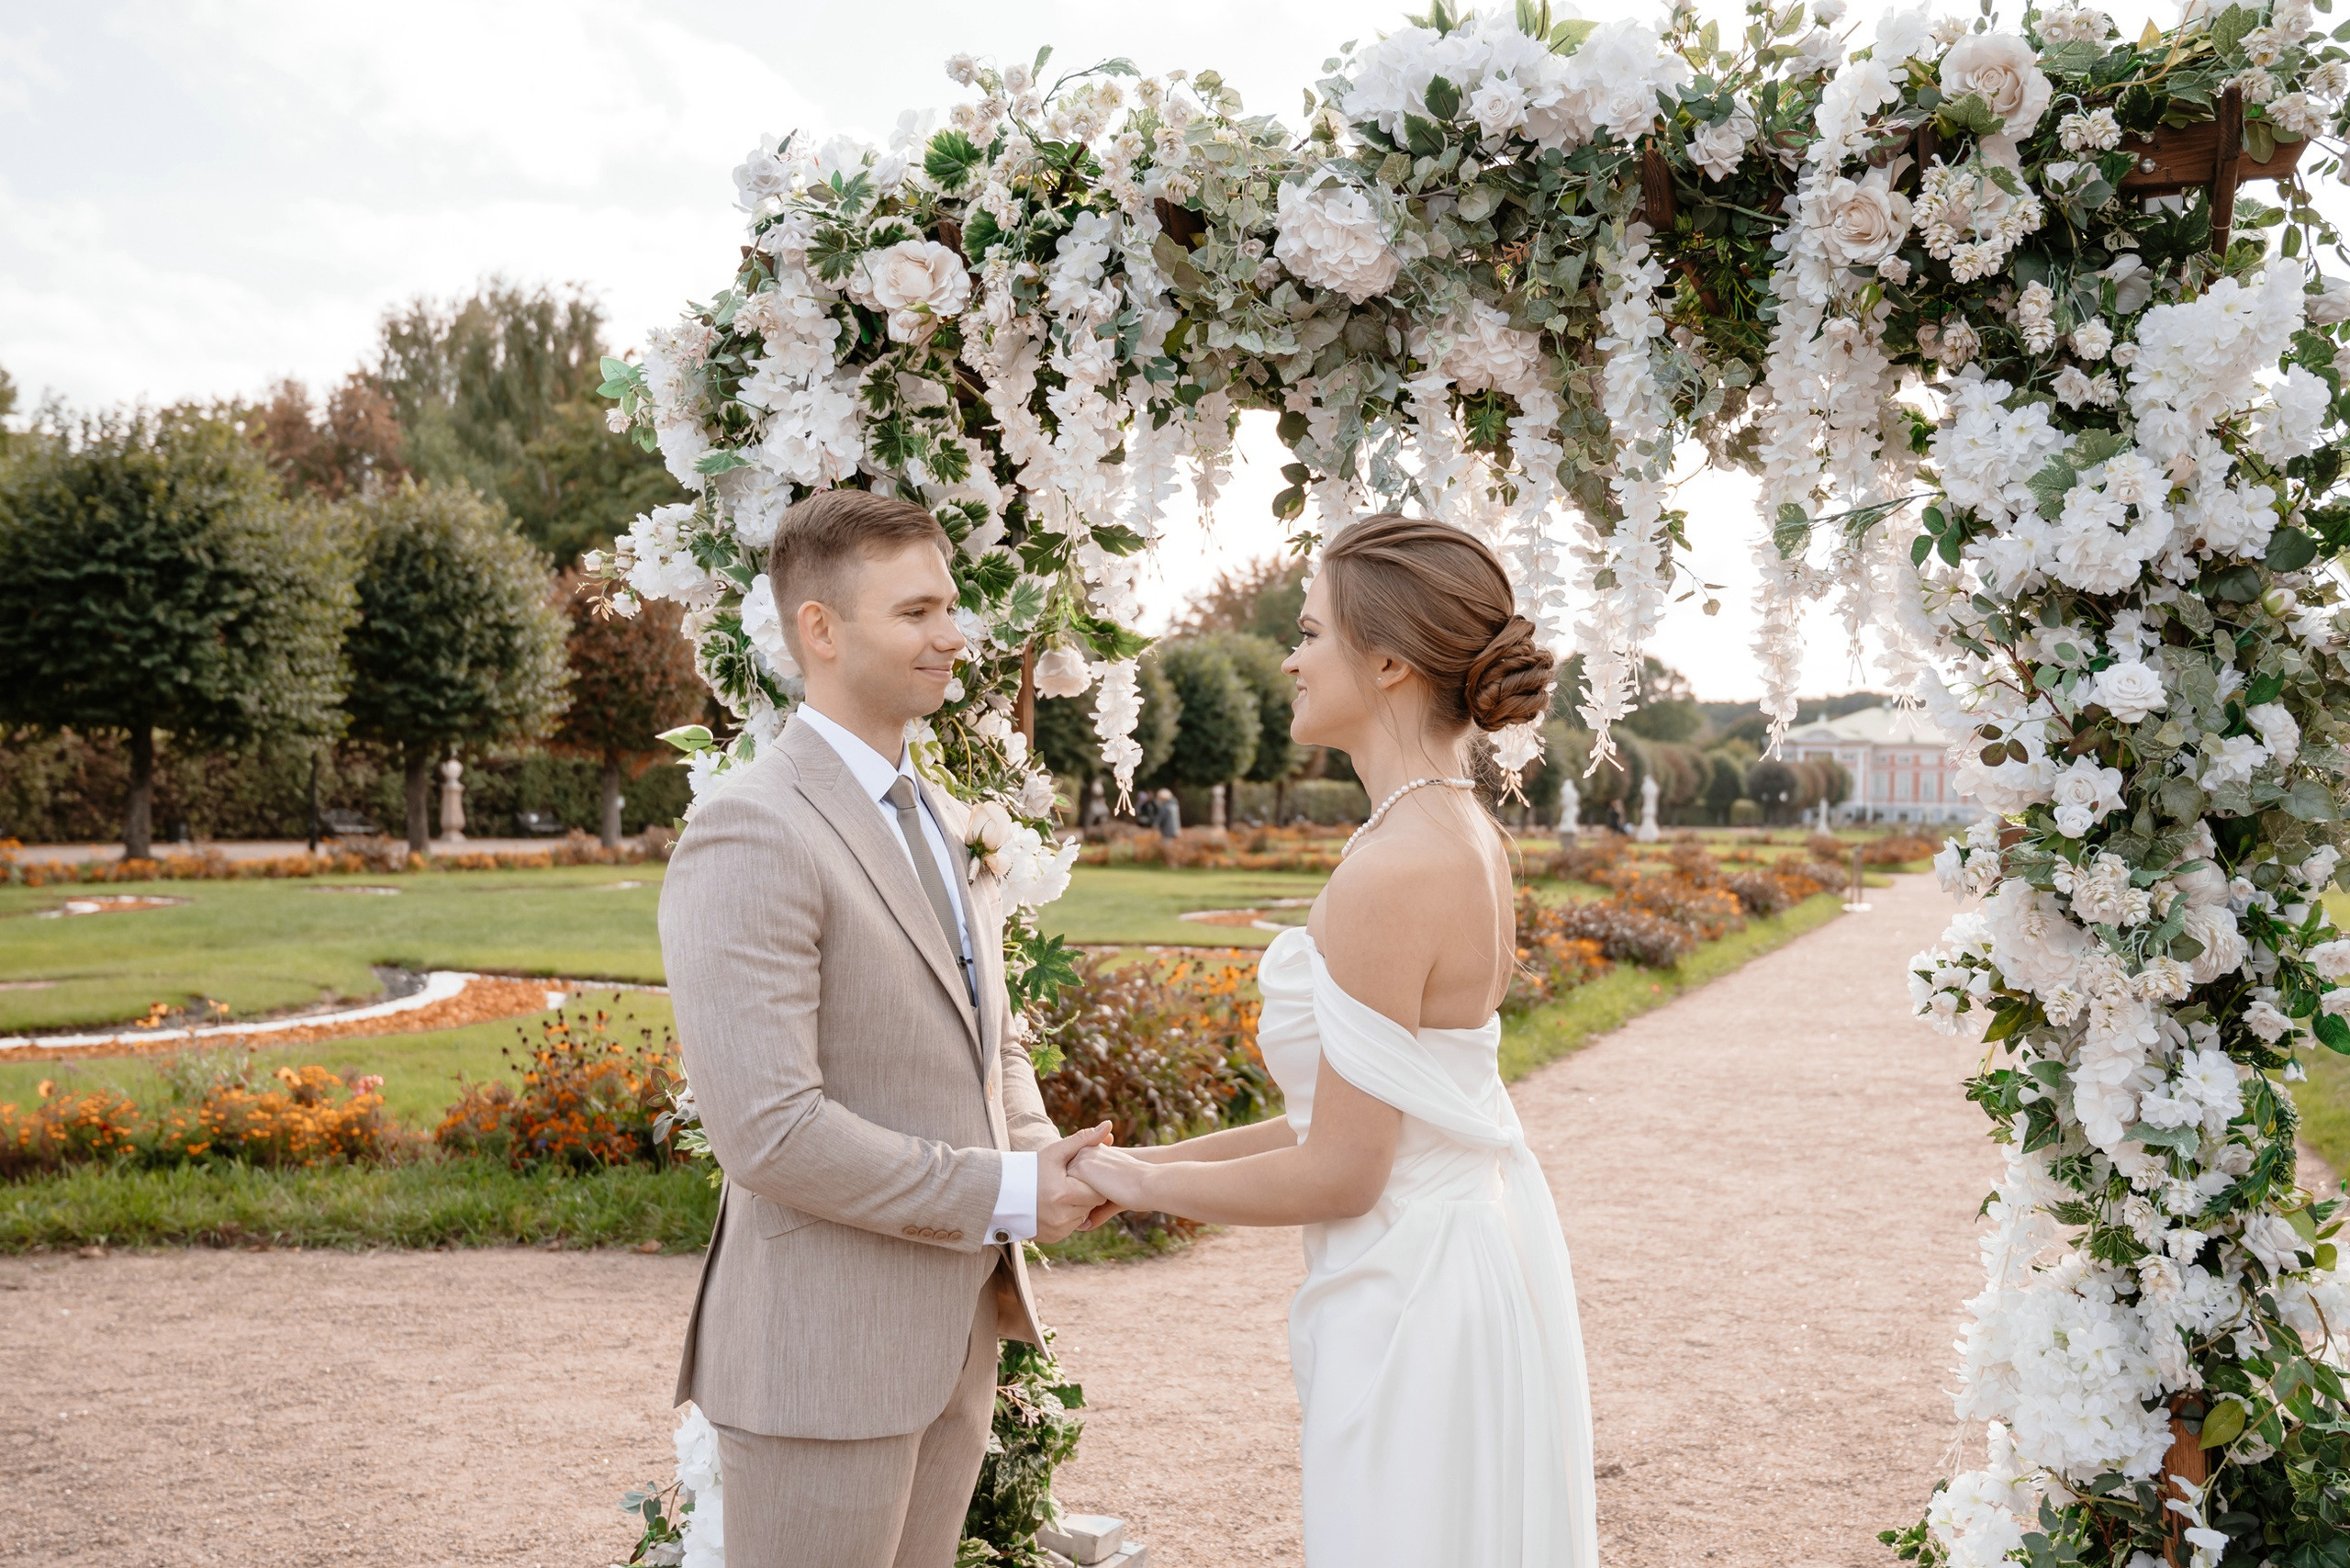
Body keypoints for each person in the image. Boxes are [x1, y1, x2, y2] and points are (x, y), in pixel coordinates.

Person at [1072, 513, 1597, 1566]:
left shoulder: (1392, 869)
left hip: (1410, 1303)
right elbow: (1349, 1115)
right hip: (1447, 1267)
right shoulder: (1459, 832)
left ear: (1390, 661)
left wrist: (1143, 1187)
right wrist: (1139, 1165)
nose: (1290, 658)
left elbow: (1344, 1171)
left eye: (1310, 632)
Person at [658, 490, 1110, 1568]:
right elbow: (769, 1132)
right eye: (916, 612)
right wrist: (1006, 1192)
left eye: (949, 606)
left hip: (953, 1346)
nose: (953, 635)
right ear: (819, 628)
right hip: (820, 1362)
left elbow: (989, 1038)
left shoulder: (946, 819)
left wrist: (1046, 1155)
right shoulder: (751, 828)